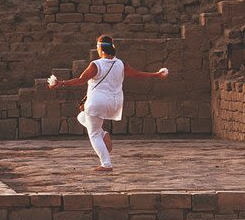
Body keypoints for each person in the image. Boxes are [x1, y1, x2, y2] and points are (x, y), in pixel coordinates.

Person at [49, 35, 168, 172]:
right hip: (115, 103)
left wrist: (60, 83)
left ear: (100, 49)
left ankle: (106, 164)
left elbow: (80, 80)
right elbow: (137, 74)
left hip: (97, 102)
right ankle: (102, 134)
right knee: (82, 117)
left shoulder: (96, 64)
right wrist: (156, 74)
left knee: (93, 134)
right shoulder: (121, 64)